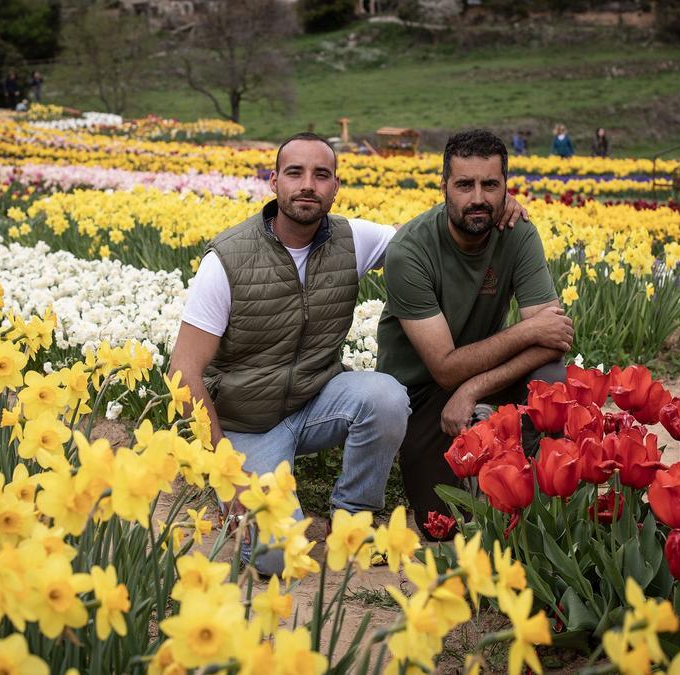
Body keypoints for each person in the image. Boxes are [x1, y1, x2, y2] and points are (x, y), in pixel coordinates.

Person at [169, 132, 528, 573]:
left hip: (315, 402)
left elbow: (427, 240)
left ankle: (352, 523)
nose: (308, 185)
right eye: (295, 173)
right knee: (278, 557)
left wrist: (489, 208)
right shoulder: (226, 259)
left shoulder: (353, 239)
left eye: (321, 175)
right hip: (247, 425)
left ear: (336, 186)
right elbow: (183, 371)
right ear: (273, 182)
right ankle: (270, 502)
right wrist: (224, 473)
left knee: (386, 395)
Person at [375, 129, 572, 541]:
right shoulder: (410, 251)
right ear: (444, 186)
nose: (478, 197)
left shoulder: (517, 233)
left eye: (490, 184)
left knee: (551, 376)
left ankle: (540, 480)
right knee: (446, 528)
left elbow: (552, 337)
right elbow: (445, 371)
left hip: (482, 374)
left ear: (506, 189)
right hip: (420, 394)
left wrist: (473, 389)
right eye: (465, 184)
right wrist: (529, 329)